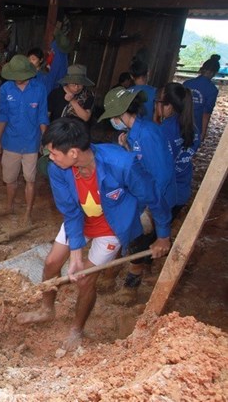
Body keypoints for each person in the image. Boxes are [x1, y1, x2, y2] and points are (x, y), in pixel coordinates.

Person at [17, 117, 172, 351]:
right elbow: (70, 212)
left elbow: (154, 199)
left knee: (87, 278)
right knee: (51, 262)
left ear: (73, 153)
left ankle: (76, 329)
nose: (50, 158)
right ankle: (46, 309)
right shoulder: (58, 169)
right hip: (79, 219)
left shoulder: (122, 164)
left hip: (112, 226)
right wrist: (76, 255)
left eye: (53, 153)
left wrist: (163, 235)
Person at [96, 86, 176, 304]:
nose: (112, 122)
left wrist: (148, 206)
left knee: (139, 238)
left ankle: (131, 285)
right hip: (141, 192)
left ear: (121, 114)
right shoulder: (134, 132)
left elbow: (161, 173)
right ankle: (112, 274)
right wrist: (125, 148)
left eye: (113, 117)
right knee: (127, 229)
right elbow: (138, 164)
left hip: (154, 195)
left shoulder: (148, 133)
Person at [0, 55, 49, 224]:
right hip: (10, 141)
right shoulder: (5, 89)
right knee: (9, 179)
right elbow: (2, 115)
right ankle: (9, 206)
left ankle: (28, 212)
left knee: (30, 179)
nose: (18, 79)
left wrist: (44, 140)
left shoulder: (39, 89)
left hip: (32, 143)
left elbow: (42, 117)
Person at [155, 83, 199, 218]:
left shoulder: (164, 131)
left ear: (169, 106)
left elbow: (157, 168)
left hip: (164, 195)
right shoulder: (193, 129)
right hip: (182, 192)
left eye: (157, 102)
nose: (156, 105)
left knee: (154, 236)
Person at [184, 54, 220, 141]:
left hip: (180, 121)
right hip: (196, 124)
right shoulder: (212, 89)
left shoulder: (187, 83)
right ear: (214, 73)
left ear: (202, 69)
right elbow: (206, 114)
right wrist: (203, 133)